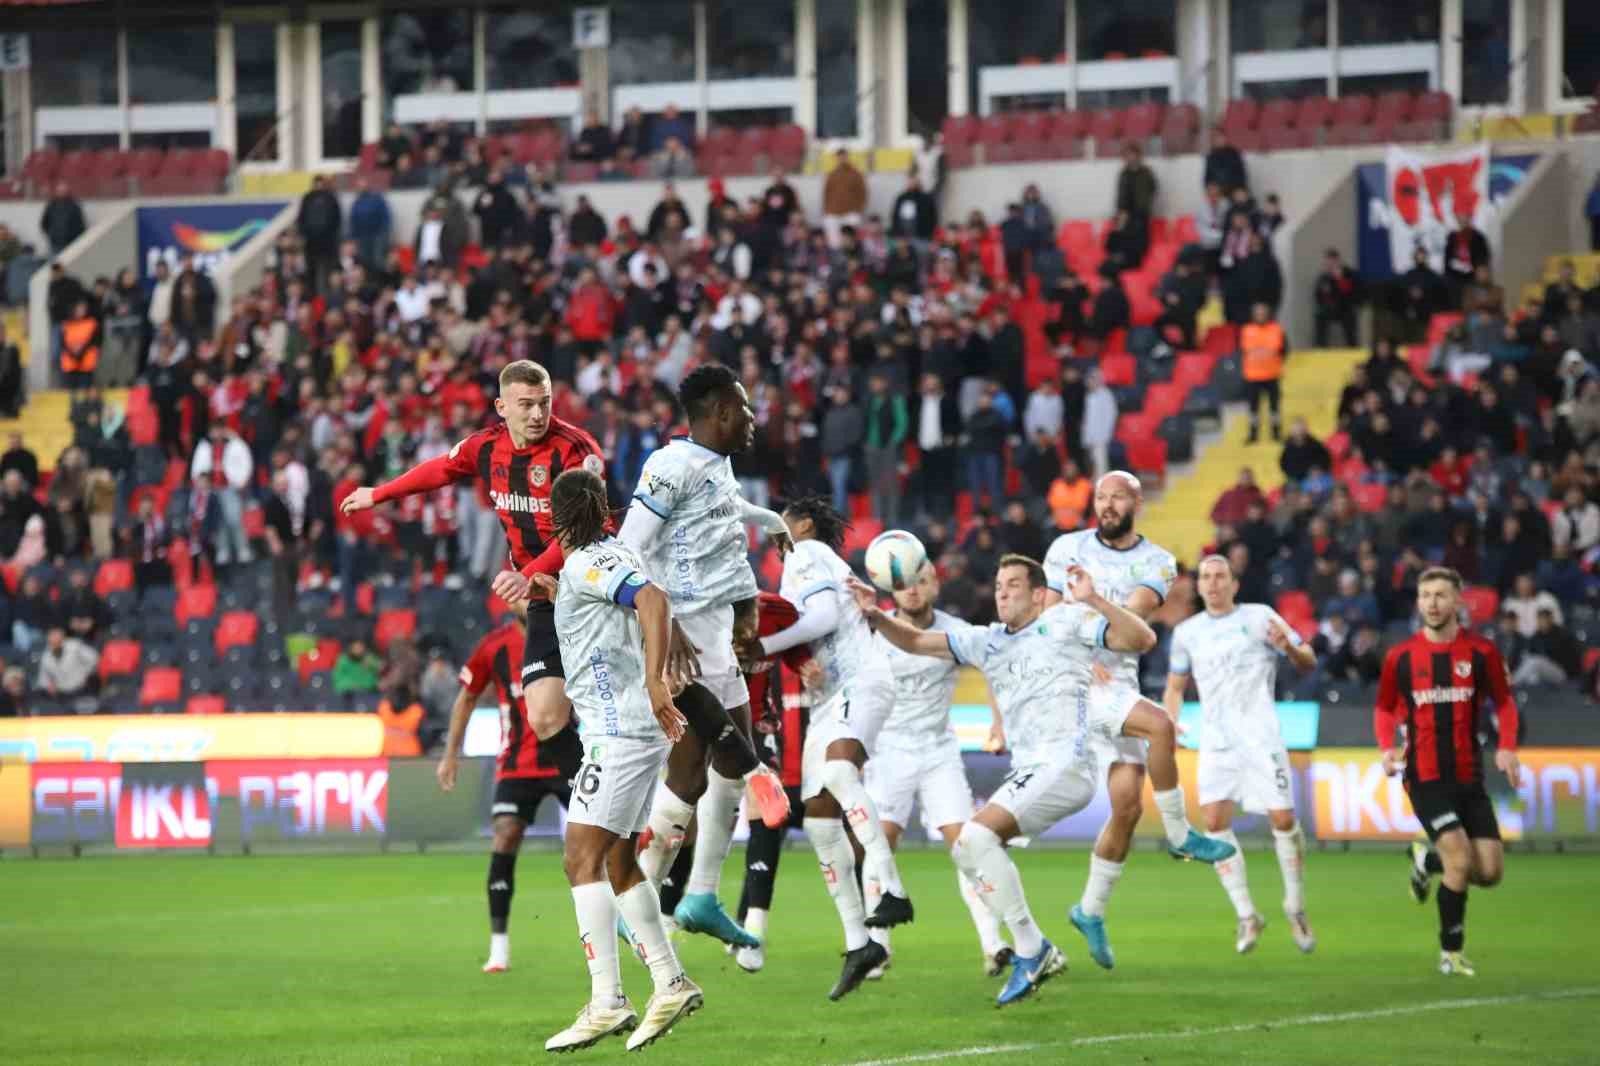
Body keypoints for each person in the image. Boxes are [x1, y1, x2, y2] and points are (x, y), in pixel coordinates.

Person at [856, 555, 1229, 1006]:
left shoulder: (1066, 622)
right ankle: (1032, 950)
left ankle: (1032, 949)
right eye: (998, 585)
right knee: (971, 846)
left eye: (1014, 585)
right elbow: (915, 640)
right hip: (1031, 770)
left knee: (973, 838)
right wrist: (875, 616)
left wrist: (1093, 599)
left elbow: (1142, 637)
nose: (1003, 593)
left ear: (1038, 594)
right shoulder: (986, 641)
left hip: (1066, 765)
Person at [341, 360, 599, 792]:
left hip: (592, 583)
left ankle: (629, 794)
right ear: (502, 407)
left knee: (608, 706)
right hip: (539, 593)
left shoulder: (575, 449)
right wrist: (379, 494)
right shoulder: (487, 447)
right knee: (544, 715)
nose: (538, 415)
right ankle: (598, 798)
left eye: (545, 404)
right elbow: (440, 469)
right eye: (526, 405)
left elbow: (581, 530)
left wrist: (528, 572)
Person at [618, 364, 793, 948]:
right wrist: (663, 623)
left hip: (717, 630)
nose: (751, 419)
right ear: (719, 412)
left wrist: (768, 520)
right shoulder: (669, 466)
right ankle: (649, 897)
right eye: (744, 409)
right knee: (703, 768)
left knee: (717, 769)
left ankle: (697, 896)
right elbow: (629, 549)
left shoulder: (716, 467)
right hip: (689, 633)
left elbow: (720, 516)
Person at [536, 468, 702, 1054]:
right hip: (631, 730)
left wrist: (657, 683)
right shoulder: (606, 555)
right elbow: (621, 607)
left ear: (555, 521)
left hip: (619, 732)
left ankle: (607, 999)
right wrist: (560, 597)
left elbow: (651, 600)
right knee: (616, 861)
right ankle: (670, 981)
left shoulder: (585, 562)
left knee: (579, 857)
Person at [738, 496, 914, 1000]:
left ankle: (893, 890)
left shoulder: (808, 553)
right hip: (834, 697)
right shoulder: (799, 564)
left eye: (784, 522)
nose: (778, 532)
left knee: (838, 776)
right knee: (818, 817)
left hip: (864, 681)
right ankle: (860, 941)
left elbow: (816, 622)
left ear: (806, 524)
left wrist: (763, 648)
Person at [1042, 471, 1195, 972]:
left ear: (1136, 503)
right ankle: (1180, 835)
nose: (1106, 505)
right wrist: (1081, 652)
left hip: (1119, 682)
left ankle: (1089, 911)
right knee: (1157, 728)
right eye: (1101, 497)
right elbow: (1046, 617)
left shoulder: (1158, 563)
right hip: (1074, 683)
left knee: (1127, 809)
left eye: (1117, 498)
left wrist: (1101, 636)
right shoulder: (1065, 547)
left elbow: (1132, 625)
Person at [859, 564, 1012, 980]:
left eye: (920, 581)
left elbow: (992, 669)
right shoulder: (875, 629)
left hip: (939, 750)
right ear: (894, 588)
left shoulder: (954, 630)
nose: (912, 590)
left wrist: (996, 720)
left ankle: (993, 943)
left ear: (935, 585)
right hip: (889, 751)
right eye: (905, 583)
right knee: (879, 847)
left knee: (967, 847)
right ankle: (879, 946)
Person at [1164, 555, 1319, 955]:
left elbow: (1308, 661)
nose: (1213, 583)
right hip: (1216, 742)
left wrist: (1289, 648)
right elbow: (1176, 687)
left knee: (1284, 820)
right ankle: (1247, 914)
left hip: (1261, 737)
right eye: (1206, 578)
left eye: (1220, 577)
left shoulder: (1260, 616)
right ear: (1198, 587)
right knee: (1214, 821)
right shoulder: (1186, 633)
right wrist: (1169, 723)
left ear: (1235, 584)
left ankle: (1295, 906)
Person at [1376, 567, 1521, 977]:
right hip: (1425, 776)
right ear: (1418, 602)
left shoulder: (1482, 653)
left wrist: (1507, 748)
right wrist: (1387, 748)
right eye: (1425, 596)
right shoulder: (1401, 657)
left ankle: (1426, 859)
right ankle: (1450, 953)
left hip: (1468, 776)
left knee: (1489, 871)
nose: (1432, 603)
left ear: (1459, 601)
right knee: (1460, 860)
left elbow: (1505, 703)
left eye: (1440, 595)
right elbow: (1384, 708)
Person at [436, 600, 571, 974]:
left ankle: (626, 930)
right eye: (520, 593)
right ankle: (499, 947)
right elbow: (466, 697)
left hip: (568, 757)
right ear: (511, 601)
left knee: (597, 845)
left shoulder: (570, 631)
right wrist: (451, 754)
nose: (526, 599)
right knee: (505, 836)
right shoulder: (494, 646)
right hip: (517, 765)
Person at [1241, 302, 1287, 443]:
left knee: (1275, 408)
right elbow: (1243, 351)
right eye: (1258, 313)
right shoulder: (1247, 330)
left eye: (1263, 313)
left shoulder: (1276, 329)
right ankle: (1253, 435)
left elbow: (1284, 350)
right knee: (1253, 409)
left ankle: (1276, 434)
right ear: (1253, 315)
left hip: (1272, 375)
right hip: (1252, 376)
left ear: (1268, 315)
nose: (1260, 316)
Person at [1313, 249, 1363, 347]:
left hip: (1347, 307)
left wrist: (1339, 279)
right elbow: (1318, 295)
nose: (1329, 265)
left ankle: (1352, 347)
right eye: (1327, 262)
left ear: (1338, 261)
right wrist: (1325, 301)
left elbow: (1353, 293)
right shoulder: (1324, 277)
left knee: (1350, 318)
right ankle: (1320, 347)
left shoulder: (1349, 274)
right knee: (1320, 315)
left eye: (1332, 262)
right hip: (1331, 308)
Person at [822, 148, 867, 247]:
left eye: (844, 157)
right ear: (836, 159)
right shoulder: (831, 175)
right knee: (834, 243)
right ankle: (836, 260)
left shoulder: (856, 174)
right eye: (839, 157)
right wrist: (826, 210)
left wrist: (859, 209)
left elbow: (863, 193)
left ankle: (852, 258)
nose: (842, 159)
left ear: (847, 157)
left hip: (850, 213)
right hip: (833, 212)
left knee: (851, 240)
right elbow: (826, 194)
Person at [40, 183, 86, 256]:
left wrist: (74, 237)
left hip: (70, 243)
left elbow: (80, 225)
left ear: (67, 192)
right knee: (56, 264)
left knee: (69, 262)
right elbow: (44, 223)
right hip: (55, 243)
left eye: (63, 191)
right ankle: (58, 268)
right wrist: (51, 234)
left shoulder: (74, 206)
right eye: (59, 191)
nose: (61, 193)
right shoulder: (51, 206)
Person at [1203, 128, 1248, 196]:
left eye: (1219, 137)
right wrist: (1210, 188)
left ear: (1224, 138)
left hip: (1234, 191)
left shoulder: (1234, 154)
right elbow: (1207, 178)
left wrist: (1240, 189)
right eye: (1214, 138)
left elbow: (1241, 175)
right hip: (1217, 193)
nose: (1217, 140)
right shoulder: (1210, 157)